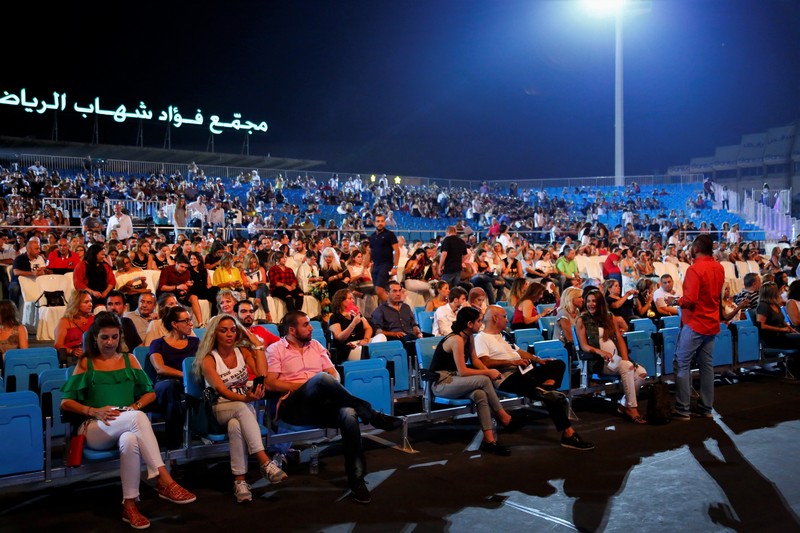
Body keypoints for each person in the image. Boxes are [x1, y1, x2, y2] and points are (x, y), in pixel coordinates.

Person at [60, 312, 196, 529]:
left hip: (126, 420)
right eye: (105, 337)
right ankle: (164, 479)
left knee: (131, 439)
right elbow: (65, 403)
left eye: (114, 337)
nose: (110, 342)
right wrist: (93, 411)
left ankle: (130, 505)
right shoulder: (87, 362)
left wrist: (135, 407)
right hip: (94, 427)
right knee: (137, 419)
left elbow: (150, 393)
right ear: (95, 338)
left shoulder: (129, 359)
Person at [266, 310, 403, 504]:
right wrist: (307, 385)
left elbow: (334, 375)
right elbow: (271, 383)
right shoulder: (275, 349)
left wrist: (322, 386)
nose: (311, 327)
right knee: (321, 378)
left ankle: (357, 479)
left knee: (348, 412)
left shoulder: (316, 346)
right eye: (305, 324)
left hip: (321, 405)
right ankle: (372, 415)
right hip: (294, 407)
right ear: (292, 329)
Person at [194, 313, 288, 503]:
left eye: (233, 330)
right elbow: (221, 390)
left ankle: (240, 481)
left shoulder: (242, 352)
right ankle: (264, 461)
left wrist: (257, 344)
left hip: (242, 409)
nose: (229, 334)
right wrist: (245, 397)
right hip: (219, 408)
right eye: (223, 330)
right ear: (214, 334)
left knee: (236, 425)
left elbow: (262, 373)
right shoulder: (208, 360)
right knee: (240, 408)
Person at [476, 305, 594, 450]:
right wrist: (511, 362)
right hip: (507, 377)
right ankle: (568, 433)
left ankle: (546, 388)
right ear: (495, 318)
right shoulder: (481, 338)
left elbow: (520, 352)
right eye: (504, 316)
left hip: (523, 372)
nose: (507, 320)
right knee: (550, 396)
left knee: (557, 364)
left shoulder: (503, 335)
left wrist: (538, 359)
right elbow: (485, 362)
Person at [428, 306, 519, 456]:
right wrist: (488, 372)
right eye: (478, 321)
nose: (481, 324)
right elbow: (463, 371)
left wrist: (489, 371)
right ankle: (504, 416)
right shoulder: (456, 339)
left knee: (480, 394)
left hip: (455, 379)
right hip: (442, 383)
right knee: (483, 379)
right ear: (470, 324)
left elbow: (475, 360)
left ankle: (489, 441)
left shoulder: (468, 336)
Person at [672, 235, 725, 420]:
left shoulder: (695, 269)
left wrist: (677, 300)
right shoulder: (719, 267)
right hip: (711, 322)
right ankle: (706, 408)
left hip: (695, 322)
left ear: (696, 249)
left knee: (682, 363)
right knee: (706, 366)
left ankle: (682, 408)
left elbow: (690, 300)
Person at [576, 288, 648, 424]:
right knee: (627, 366)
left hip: (616, 359)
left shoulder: (609, 317)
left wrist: (625, 357)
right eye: (588, 301)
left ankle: (623, 404)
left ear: (600, 303)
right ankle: (632, 408)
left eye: (594, 301)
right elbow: (584, 345)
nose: (591, 304)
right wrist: (600, 352)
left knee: (642, 373)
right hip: (599, 361)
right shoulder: (582, 319)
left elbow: (619, 338)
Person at [147, 305, 199, 450]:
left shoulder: (195, 342)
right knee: (171, 387)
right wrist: (184, 375)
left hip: (188, 387)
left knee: (174, 395)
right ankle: (175, 445)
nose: (191, 324)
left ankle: (173, 449)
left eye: (190, 320)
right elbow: (160, 368)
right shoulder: (158, 344)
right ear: (174, 324)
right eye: (186, 321)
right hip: (163, 385)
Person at [157, 255, 204, 327]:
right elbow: (162, 287)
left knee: (194, 297)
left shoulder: (187, 272)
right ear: (176, 263)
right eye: (181, 266)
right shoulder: (167, 270)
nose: (183, 269)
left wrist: (184, 292)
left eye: (185, 267)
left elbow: (185, 286)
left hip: (179, 293)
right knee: (171, 299)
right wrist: (177, 287)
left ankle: (201, 324)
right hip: (167, 292)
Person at [328, 288, 374, 362]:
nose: (353, 301)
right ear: (341, 301)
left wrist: (366, 339)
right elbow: (339, 337)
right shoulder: (335, 317)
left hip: (363, 343)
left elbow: (368, 328)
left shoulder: (357, 313)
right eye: (350, 298)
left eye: (353, 298)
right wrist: (353, 323)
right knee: (368, 352)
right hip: (349, 348)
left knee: (381, 337)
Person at [54, 289, 95, 365]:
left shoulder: (95, 319)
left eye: (91, 301)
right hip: (72, 357)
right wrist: (72, 351)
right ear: (76, 303)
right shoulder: (65, 321)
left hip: (92, 354)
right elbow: (58, 345)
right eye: (86, 302)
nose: (90, 305)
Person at [755, 282, 800, 350]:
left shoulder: (775, 305)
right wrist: (781, 329)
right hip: (773, 338)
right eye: (777, 291)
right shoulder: (763, 306)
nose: (779, 292)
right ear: (772, 293)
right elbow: (761, 325)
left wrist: (791, 329)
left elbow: (781, 321)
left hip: (782, 335)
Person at [367, 213, 400, 303]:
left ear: (384, 223)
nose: (380, 223)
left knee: (379, 290)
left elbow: (397, 251)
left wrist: (395, 267)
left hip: (386, 265)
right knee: (380, 291)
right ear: (374, 223)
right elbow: (369, 253)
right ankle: (384, 313)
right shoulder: (372, 237)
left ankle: (393, 308)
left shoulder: (390, 235)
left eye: (382, 221)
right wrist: (365, 266)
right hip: (375, 266)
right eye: (378, 221)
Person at [73, 243, 116, 310]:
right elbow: (78, 284)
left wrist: (106, 292)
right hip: (88, 293)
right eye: (102, 254)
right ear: (94, 255)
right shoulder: (81, 266)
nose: (103, 257)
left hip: (105, 293)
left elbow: (112, 281)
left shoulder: (105, 266)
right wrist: (92, 292)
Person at [9, 237, 49, 306]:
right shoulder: (19, 258)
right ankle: (13, 309)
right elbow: (16, 272)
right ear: (29, 249)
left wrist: (42, 271)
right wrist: (32, 273)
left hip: (36, 280)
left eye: (39, 248)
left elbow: (43, 268)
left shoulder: (40, 258)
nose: (39, 251)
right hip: (19, 281)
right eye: (36, 249)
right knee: (14, 288)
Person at [438, 226, 468, 291]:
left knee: (444, 288)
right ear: (455, 232)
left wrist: (440, 266)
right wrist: (460, 262)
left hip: (449, 268)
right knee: (455, 289)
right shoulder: (461, 241)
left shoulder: (447, 240)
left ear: (447, 232)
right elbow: (466, 255)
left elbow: (444, 254)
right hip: (458, 268)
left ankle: (446, 301)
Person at [242, 252, 270, 320]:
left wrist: (257, 283)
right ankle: (268, 314)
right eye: (251, 263)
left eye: (254, 262)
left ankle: (257, 300)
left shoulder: (261, 269)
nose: (253, 264)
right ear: (247, 262)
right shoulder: (243, 272)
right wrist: (251, 285)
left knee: (262, 285)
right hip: (252, 290)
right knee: (262, 294)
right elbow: (245, 284)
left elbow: (264, 281)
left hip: (262, 287)